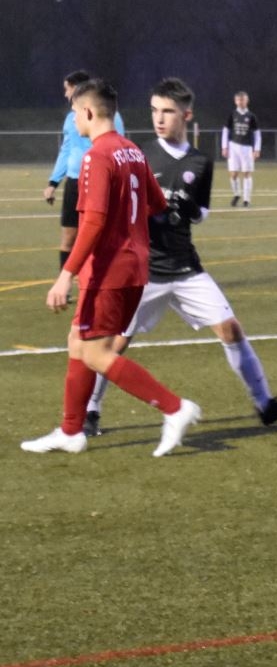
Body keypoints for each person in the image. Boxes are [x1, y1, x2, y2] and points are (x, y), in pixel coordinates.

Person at [81, 79, 277, 438]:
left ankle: (265, 404)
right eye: (155, 110)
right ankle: (90, 412)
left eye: (167, 112)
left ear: (186, 115)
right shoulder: (138, 154)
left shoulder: (200, 161)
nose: (159, 118)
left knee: (231, 329)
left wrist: (189, 209)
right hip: (145, 270)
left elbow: (202, 212)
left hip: (185, 267)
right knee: (113, 344)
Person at [21, 78, 201, 457]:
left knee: (96, 353)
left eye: (74, 112)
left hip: (109, 271)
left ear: (88, 112)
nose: (74, 119)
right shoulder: (133, 151)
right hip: (134, 268)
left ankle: (174, 408)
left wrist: (65, 275)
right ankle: (71, 431)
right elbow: (156, 204)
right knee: (78, 342)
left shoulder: (97, 156)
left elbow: (93, 221)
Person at [46, 70, 125, 273]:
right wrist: (53, 182)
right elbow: (66, 150)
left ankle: (99, 277)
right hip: (75, 182)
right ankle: (65, 280)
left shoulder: (111, 117)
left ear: (78, 89)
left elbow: (118, 147)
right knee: (69, 237)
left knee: (99, 234)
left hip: (100, 182)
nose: (65, 94)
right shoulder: (71, 119)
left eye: (67, 89)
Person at [221, 91, 261, 207]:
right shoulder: (232, 115)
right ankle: (236, 194)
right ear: (235, 101)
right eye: (238, 100)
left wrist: (256, 149)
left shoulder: (251, 116)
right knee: (233, 174)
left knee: (246, 173)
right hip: (233, 147)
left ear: (247, 101)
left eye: (243, 100)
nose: (240, 102)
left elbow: (257, 134)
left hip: (247, 148)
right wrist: (224, 147)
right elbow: (225, 131)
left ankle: (246, 200)